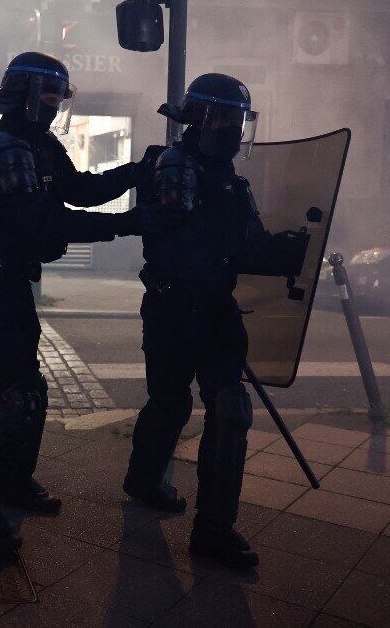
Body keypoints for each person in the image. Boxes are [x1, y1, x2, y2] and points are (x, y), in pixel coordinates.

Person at [0, 52, 165, 551]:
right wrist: (128, 225)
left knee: (32, 389)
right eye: (47, 96)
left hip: (10, 281)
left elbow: (80, 192)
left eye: (57, 99)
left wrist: (135, 172)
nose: (53, 107)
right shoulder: (4, 148)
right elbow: (45, 223)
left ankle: (13, 482)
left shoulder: (37, 144)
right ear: (23, 93)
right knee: (17, 394)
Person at [126, 73, 308, 569]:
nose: (233, 129)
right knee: (170, 402)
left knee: (229, 412)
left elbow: (246, 244)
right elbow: (186, 240)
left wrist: (291, 249)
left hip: (212, 310)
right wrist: (263, 249)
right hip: (173, 308)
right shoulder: (174, 168)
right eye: (225, 118)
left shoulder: (231, 180)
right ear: (201, 119)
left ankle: (212, 527)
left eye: (239, 120)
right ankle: (147, 483)